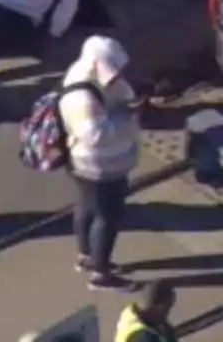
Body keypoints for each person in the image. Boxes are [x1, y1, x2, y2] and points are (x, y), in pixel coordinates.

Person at [62, 35, 143, 290]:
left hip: (84, 160)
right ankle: (101, 273)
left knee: (87, 206)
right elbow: (96, 135)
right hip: (99, 164)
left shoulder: (81, 72)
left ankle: (87, 256)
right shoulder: (81, 97)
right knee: (107, 217)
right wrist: (127, 115)